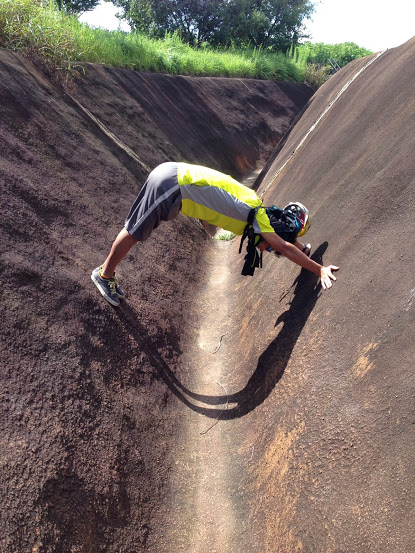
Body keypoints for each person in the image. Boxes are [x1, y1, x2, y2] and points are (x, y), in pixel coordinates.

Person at [91, 162, 339, 306]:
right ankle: (103, 275)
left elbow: (283, 244)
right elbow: (284, 246)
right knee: (134, 232)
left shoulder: (256, 211)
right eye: (270, 247)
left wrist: (302, 248)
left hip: (174, 179)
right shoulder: (256, 216)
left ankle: (106, 274)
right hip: (172, 185)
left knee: (137, 230)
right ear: (270, 232)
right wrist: (318, 269)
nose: (268, 250)